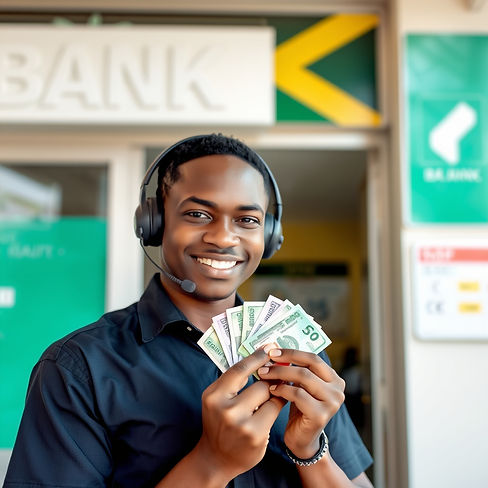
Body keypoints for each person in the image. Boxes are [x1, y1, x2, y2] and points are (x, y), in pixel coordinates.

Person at [4, 134, 373, 488]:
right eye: (197, 214)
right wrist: (212, 463)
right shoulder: (78, 368)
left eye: (247, 220)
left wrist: (310, 452)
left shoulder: (302, 359)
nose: (224, 238)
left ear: (270, 235)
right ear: (155, 224)